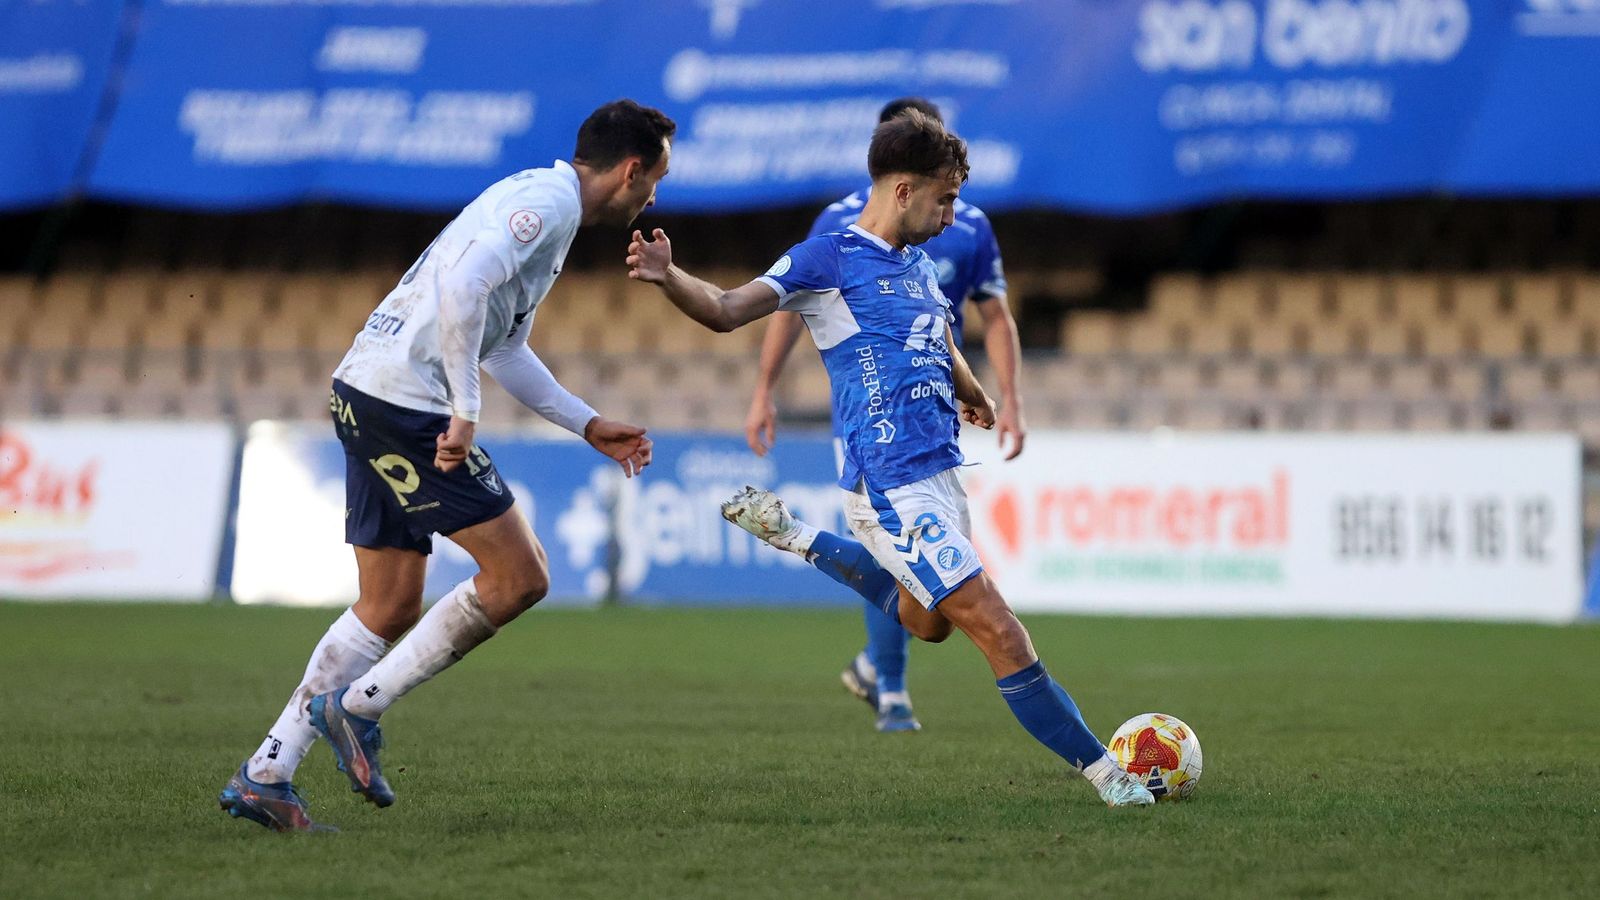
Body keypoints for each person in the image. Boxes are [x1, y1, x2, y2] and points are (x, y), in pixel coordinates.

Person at [626, 111, 1153, 807]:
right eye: (946, 198)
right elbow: (727, 308)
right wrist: (669, 277)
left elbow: (938, 333)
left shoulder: (916, 267)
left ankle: (799, 538)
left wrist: (970, 389)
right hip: (889, 484)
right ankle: (1110, 776)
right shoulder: (827, 258)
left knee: (929, 623)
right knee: (997, 626)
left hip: (942, 475)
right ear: (904, 190)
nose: (953, 214)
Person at [219, 99, 673, 832]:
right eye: (654, 180)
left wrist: (586, 422)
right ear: (630, 169)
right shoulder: (547, 206)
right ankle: (356, 708)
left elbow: (499, 345)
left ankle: (267, 771)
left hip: (364, 390)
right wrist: (464, 410)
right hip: (407, 404)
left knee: (390, 604)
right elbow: (464, 295)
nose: (654, 197)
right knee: (521, 576)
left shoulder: (535, 204)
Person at [743, 97, 1025, 733]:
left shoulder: (968, 225)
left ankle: (876, 663)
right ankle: (891, 688)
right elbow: (787, 306)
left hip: (937, 413)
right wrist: (765, 388)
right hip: (869, 414)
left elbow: (987, 315)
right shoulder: (839, 229)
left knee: (932, 611)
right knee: (898, 536)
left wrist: (991, 393)